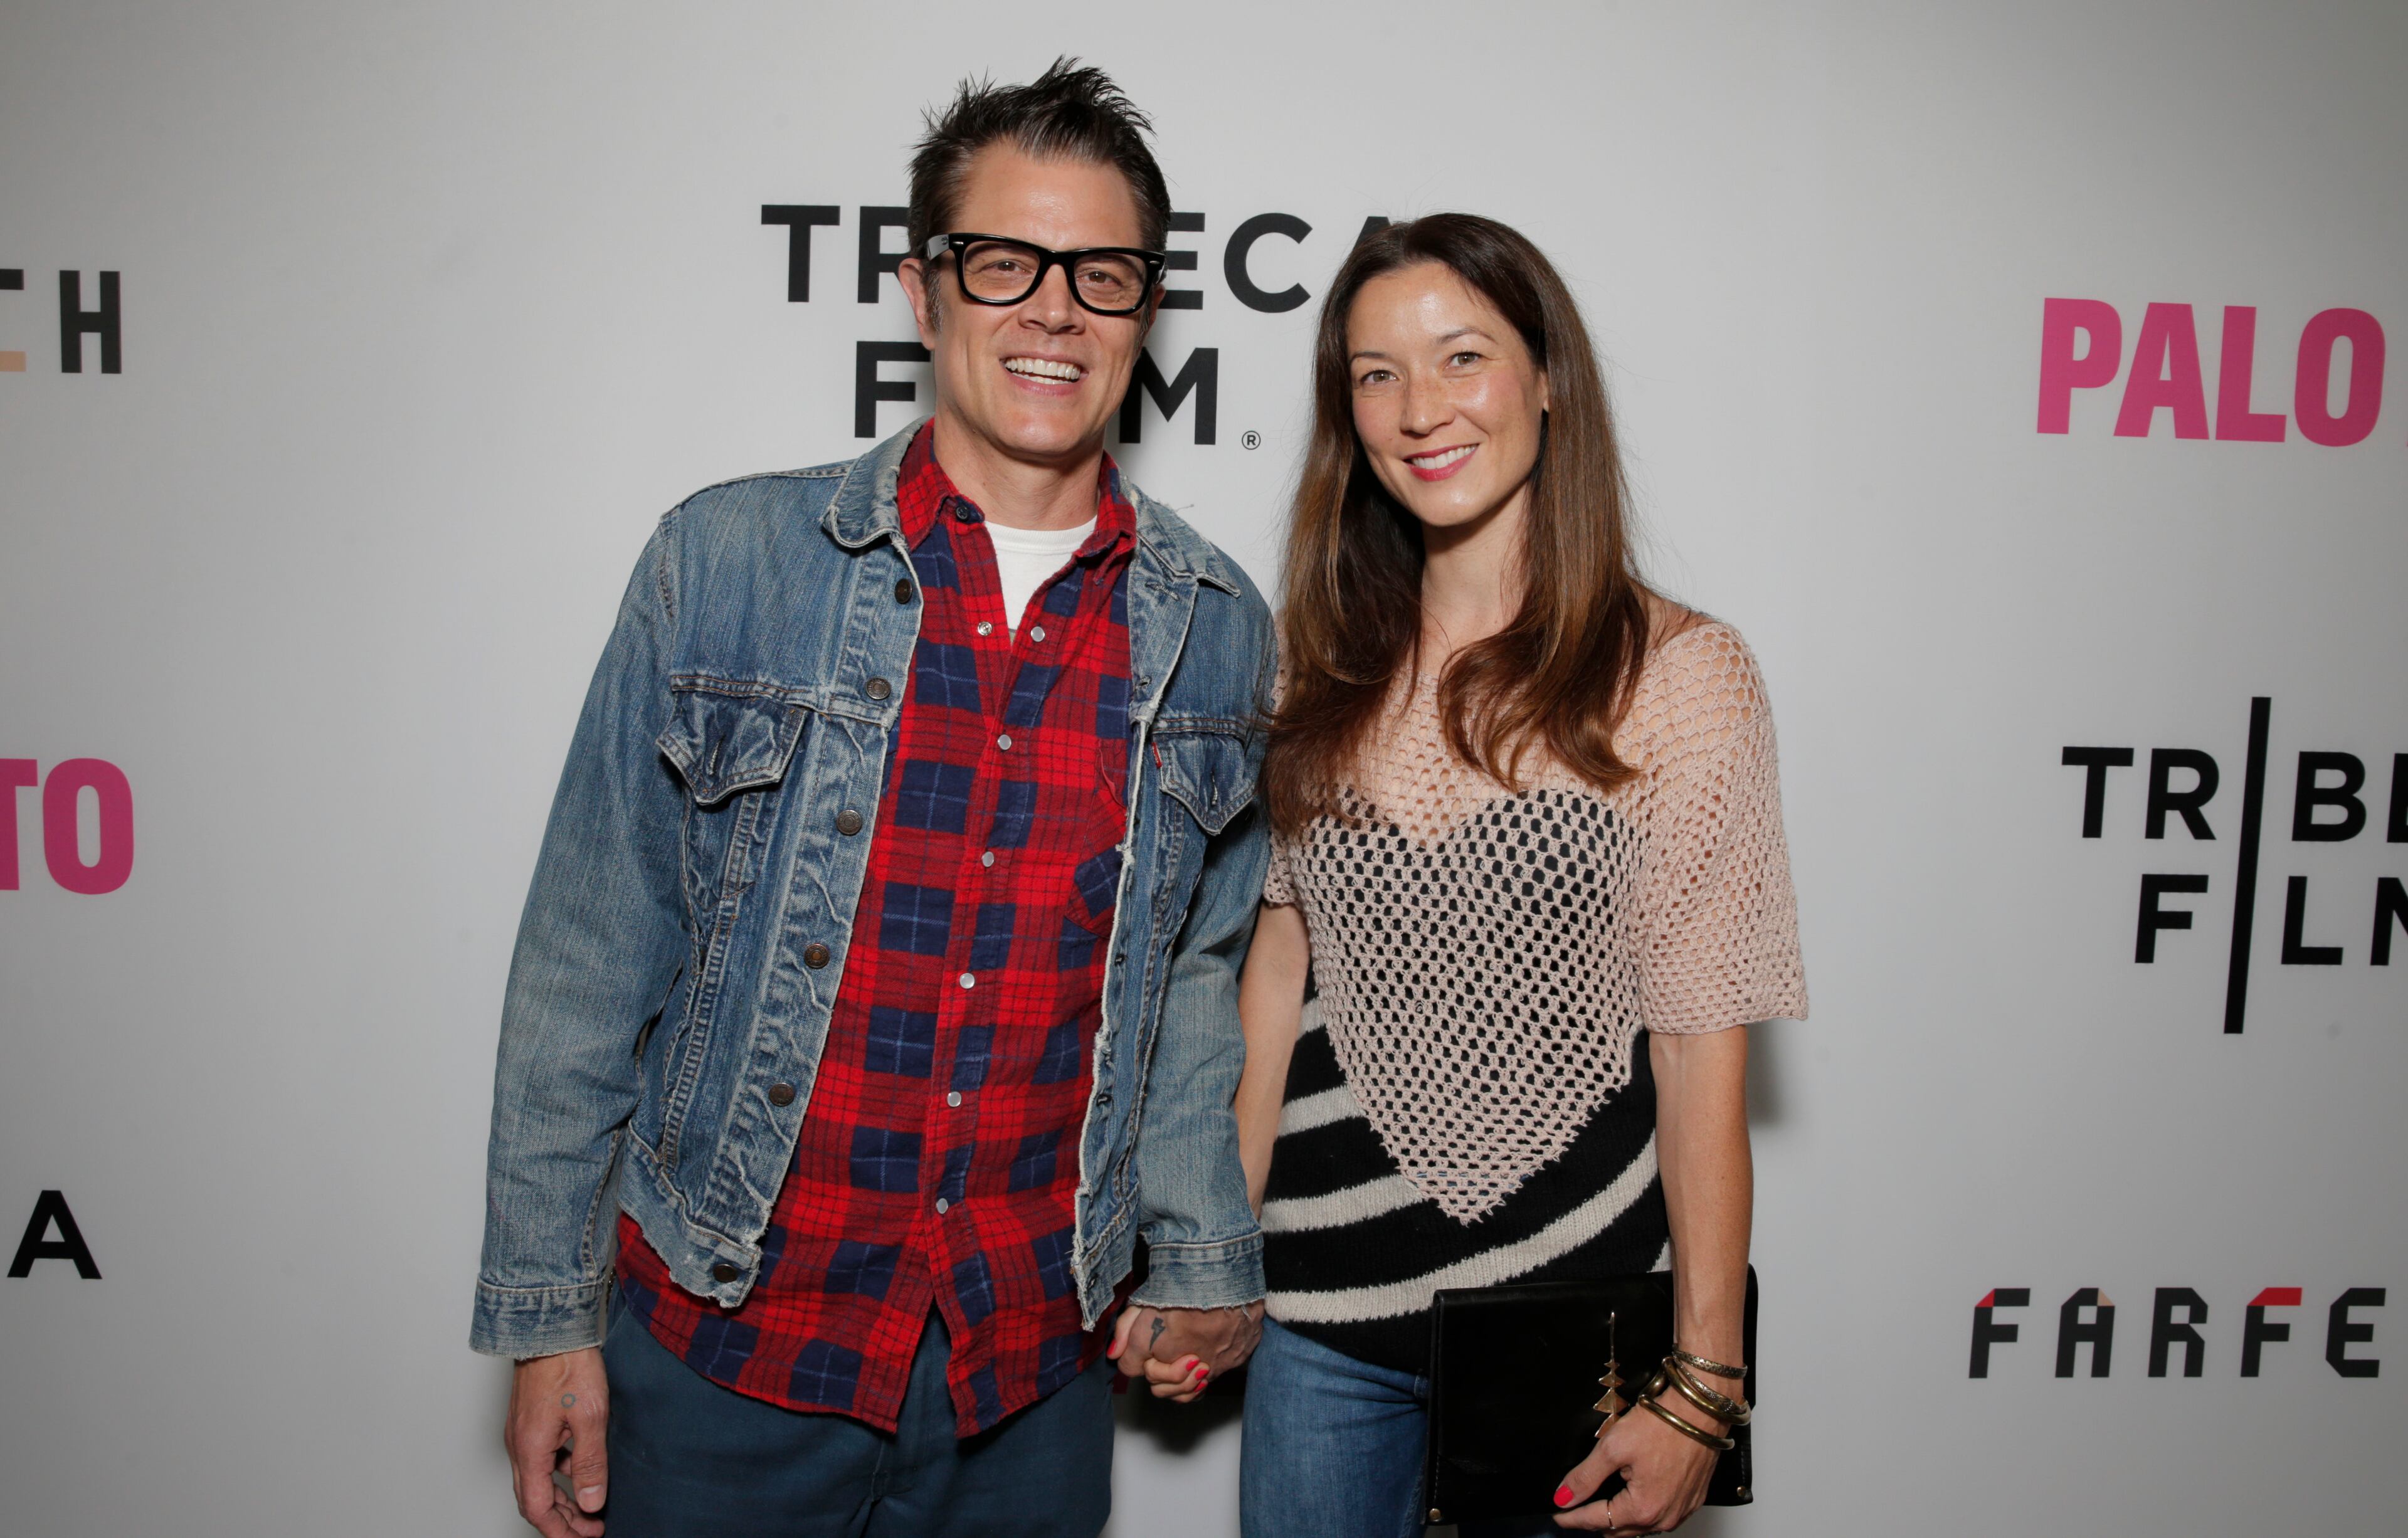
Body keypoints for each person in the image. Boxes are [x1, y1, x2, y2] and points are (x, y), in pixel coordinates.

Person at [472, 60, 1271, 1538]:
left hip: (1027, 1376)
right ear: (923, 290)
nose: (1053, 310)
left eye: (1100, 274)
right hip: (729, 1350)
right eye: (1003, 263)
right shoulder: (724, 564)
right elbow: (586, 963)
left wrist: (1203, 1247)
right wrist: (546, 1319)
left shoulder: (1218, 624)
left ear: (1146, 309)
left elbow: (1189, 985)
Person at [1231, 214, 1807, 1538]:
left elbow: (1698, 1051)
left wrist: (1704, 1387)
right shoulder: (1311, 671)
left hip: (1565, 1333)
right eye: (1375, 374)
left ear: (1548, 378)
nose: (1419, 409)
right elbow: (1273, 991)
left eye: (1461, 357)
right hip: (1316, 1331)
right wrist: (1213, 1264)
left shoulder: (1682, 678)